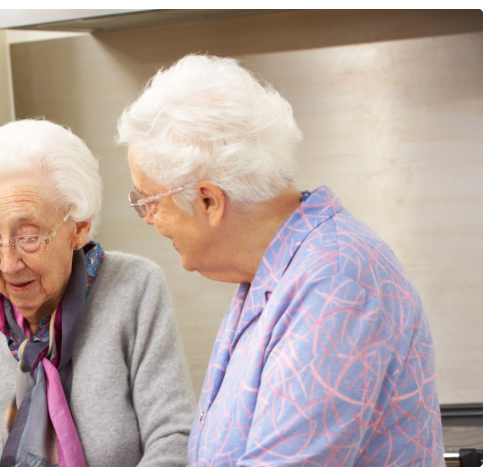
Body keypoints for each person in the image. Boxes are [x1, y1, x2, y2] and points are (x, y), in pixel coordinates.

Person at [117, 54, 444, 466]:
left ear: (208, 200)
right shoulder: (270, 273)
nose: (148, 220)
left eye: (148, 201)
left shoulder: (337, 282)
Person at [0, 119, 194, 467]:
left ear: (79, 228)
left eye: (28, 237)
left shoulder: (134, 288)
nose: (8, 263)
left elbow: (172, 439)